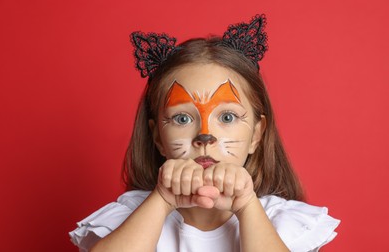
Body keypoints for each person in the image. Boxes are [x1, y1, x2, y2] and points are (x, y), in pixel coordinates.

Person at [69, 14, 340, 252]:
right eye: (182, 117)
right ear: (157, 138)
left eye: (227, 117)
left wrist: (246, 206)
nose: (205, 136)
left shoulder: (279, 221)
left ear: (257, 135)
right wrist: (162, 200)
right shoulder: (132, 217)